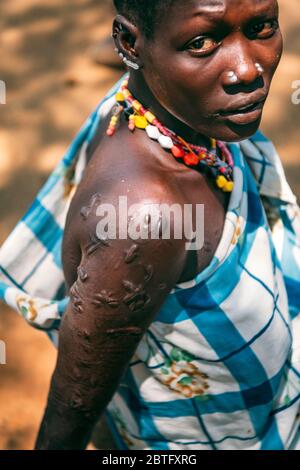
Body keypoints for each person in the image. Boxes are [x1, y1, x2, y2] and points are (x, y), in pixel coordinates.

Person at [0, 0, 299, 450]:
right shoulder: (145, 220)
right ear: (129, 44)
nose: (247, 69)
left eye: (262, 27)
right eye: (201, 42)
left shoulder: (164, 108)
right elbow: (76, 401)